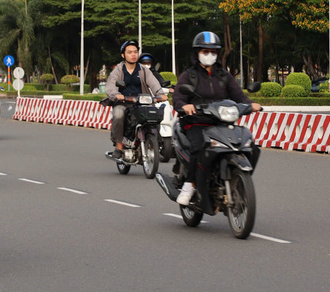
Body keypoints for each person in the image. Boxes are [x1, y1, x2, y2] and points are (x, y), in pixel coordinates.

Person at [172, 31, 262, 205]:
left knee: (249, 145)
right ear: (197, 53)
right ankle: (190, 185)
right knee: (199, 148)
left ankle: (238, 179)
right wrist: (184, 106)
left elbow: (239, 96)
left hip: (221, 123)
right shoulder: (189, 75)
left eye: (213, 52)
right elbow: (178, 98)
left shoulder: (224, 75)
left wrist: (251, 104)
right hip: (196, 122)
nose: (210, 55)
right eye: (205, 51)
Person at [105, 41, 167, 159]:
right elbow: (111, 86)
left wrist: (160, 94)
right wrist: (117, 95)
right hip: (124, 102)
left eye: (135, 52)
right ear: (123, 55)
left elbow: (154, 83)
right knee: (118, 114)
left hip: (141, 102)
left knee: (154, 113)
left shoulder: (144, 70)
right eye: (129, 52)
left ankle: (155, 141)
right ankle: (119, 146)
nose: (133, 54)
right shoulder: (118, 70)